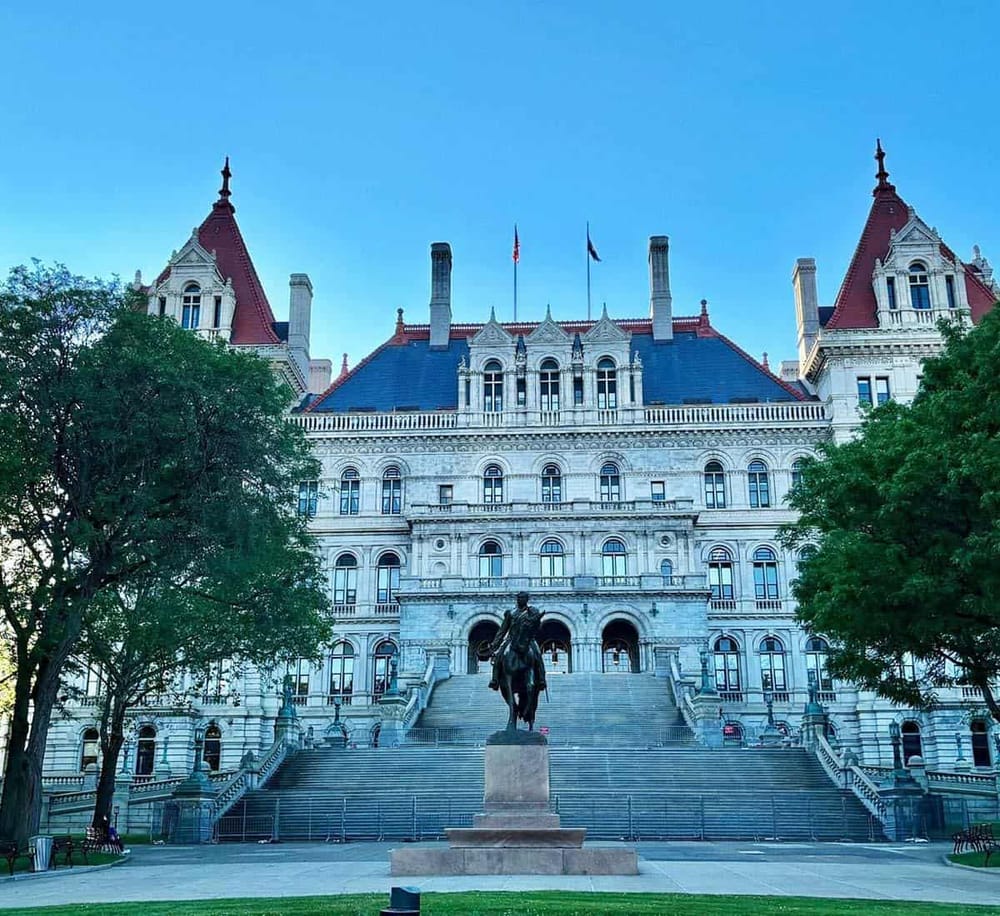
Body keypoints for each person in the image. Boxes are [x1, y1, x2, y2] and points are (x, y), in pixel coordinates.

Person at [488, 591, 547, 693]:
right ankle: (495, 679)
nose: (520, 600)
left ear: (527, 600)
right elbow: (503, 630)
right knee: (499, 656)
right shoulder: (511, 613)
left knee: (537, 655)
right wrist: (495, 644)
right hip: (511, 639)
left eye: (523, 598)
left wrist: (536, 621)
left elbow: (538, 628)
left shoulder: (533, 611)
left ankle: (542, 679)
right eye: (519, 598)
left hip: (529, 640)